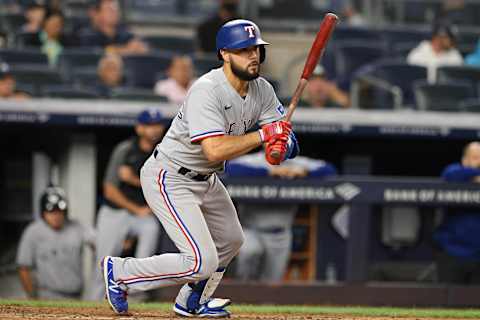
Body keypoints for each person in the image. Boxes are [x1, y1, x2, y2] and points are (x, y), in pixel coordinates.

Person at [101, 19, 298, 317]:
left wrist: (280, 146)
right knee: (199, 261)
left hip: (206, 178)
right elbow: (214, 149)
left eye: (256, 49)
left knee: (231, 240)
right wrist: (263, 136)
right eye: (243, 50)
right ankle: (121, 272)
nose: (253, 56)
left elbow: (282, 143)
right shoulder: (207, 89)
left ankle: (191, 301)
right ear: (225, 54)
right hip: (170, 175)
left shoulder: (263, 90)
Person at [88, 108, 165, 300]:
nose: (154, 130)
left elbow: (166, 186)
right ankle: (91, 304)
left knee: (146, 254)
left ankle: (135, 300)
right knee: (104, 260)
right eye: (149, 125)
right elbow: (109, 190)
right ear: (139, 128)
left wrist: (134, 180)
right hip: (116, 211)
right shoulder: (126, 149)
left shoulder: (164, 152)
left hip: (144, 214)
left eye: (157, 125)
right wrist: (136, 208)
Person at [226, 151, 336, 282]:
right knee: (250, 252)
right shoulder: (254, 161)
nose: (277, 144)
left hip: (281, 233)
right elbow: (229, 168)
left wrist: (305, 172)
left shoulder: (296, 162)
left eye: (283, 139)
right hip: (250, 229)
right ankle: (242, 292)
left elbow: (330, 170)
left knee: (273, 282)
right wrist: (269, 173)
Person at [16, 186, 95, 300]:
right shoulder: (33, 232)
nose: (56, 216)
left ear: (65, 211)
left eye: (59, 211)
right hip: (46, 296)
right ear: (43, 213)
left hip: (76, 296)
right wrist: (32, 297)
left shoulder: (77, 227)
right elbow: (23, 267)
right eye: (51, 212)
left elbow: (99, 242)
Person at [433, 141, 480, 284]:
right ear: (464, 160)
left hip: (478, 256)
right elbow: (450, 175)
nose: (479, 162)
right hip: (452, 252)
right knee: (447, 303)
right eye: (475, 157)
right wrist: (475, 174)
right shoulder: (454, 171)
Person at [77, 0, 148, 55]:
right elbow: (96, 54)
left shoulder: (124, 32)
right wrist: (126, 50)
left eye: (116, 9)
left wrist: (139, 46)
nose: (115, 12)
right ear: (96, 14)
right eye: (109, 10)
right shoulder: (86, 35)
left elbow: (142, 47)